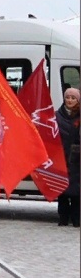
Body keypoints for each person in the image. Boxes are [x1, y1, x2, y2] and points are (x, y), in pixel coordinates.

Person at [56, 87, 80, 227]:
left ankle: (77, 218)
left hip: (77, 160)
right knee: (62, 190)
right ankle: (63, 217)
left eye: (73, 98)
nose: (70, 100)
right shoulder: (57, 116)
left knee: (77, 191)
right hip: (61, 157)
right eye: (67, 97)